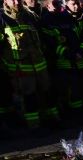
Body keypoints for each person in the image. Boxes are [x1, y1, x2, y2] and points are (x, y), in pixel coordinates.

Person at [1, 0, 55, 128]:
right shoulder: (2, 18)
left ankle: (53, 120)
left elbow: (42, 37)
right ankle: (34, 126)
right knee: (29, 98)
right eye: (12, 0)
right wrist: (6, 66)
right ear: (5, 1)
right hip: (20, 68)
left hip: (40, 64)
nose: (16, 2)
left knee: (47, 93)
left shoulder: (30, 16)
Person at [41, 0, 83, 120]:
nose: (58, 5)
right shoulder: (45, 21)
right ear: (47, 5)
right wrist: (66, 53)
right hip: (63, 64)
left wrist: (81, 51)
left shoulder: (69, 17)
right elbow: (49, 43)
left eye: (59, 2)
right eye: (54, 3)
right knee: (72, 92)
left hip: (80, 60)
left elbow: (82, 35)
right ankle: (76, 116)